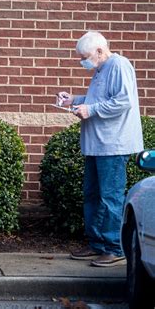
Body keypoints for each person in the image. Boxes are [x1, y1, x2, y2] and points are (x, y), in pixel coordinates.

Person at [57, 31, 144, 267]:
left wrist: (90, 110)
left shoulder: (119, 65)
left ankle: (114, 248)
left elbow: (123, 100)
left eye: (84, 56)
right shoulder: (100, 70)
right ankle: (97, 244)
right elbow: (99, 97)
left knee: (110, 198)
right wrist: (74, 100)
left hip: (113, 145)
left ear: (99, 50)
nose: (82, 61)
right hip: (98, 145)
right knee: (93, 195)